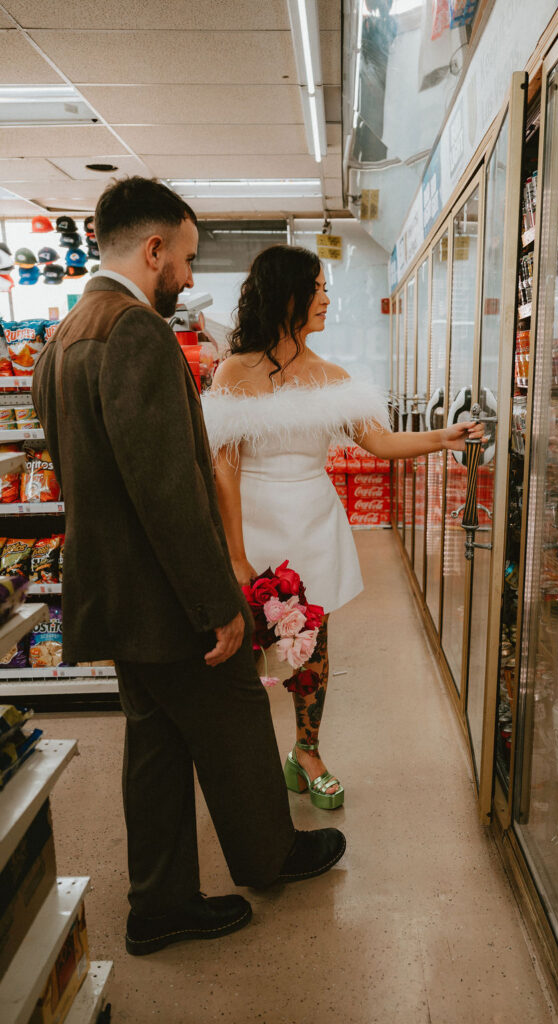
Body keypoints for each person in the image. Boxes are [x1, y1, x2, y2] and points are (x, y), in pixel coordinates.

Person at [32, 179, 346, 958]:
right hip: (167, 596)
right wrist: (219, 602)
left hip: (115, 595)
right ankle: (271, 858)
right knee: (236, 716)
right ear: (153, 249)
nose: (188, 273)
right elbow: (167, 487)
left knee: (157, 747)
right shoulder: (134, 331)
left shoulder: (68, 332)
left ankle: (160, 904)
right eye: (185, 256)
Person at [203, 244, 484, 811]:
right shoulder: (235, 370)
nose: (329, 298)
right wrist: (234, 554)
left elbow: (376, 441)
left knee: (312, 649)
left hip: (313, 523)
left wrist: (442, 438)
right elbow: (225, 469)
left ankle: (306, 752)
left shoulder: (332, 377)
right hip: (251, 524)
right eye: (320, 287)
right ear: (289, 296)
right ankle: (247, 763)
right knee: (244, 651)